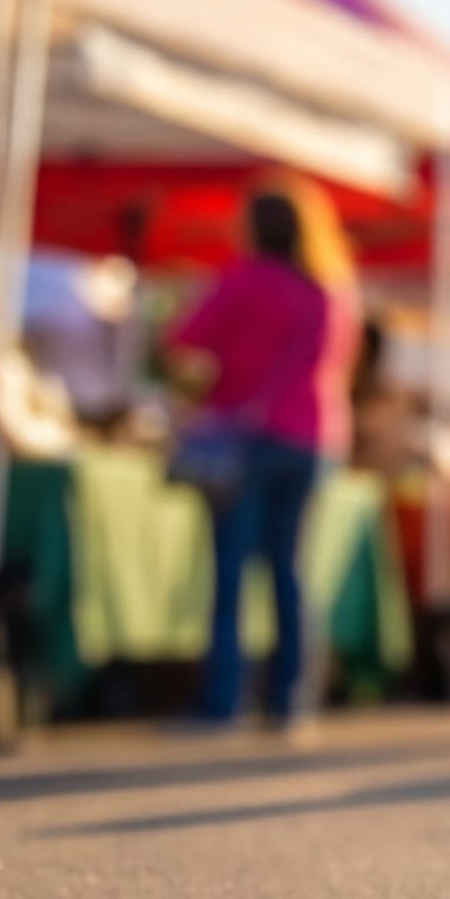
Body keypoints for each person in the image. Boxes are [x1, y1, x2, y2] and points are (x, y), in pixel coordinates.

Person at [161, 181, 358, 737]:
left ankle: (223, 701)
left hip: (247, 437)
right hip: (314, 437)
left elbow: (184, 346)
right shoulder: (330, 290)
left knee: (231, 571)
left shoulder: (242, 280)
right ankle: (291, 701)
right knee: (289, 570)